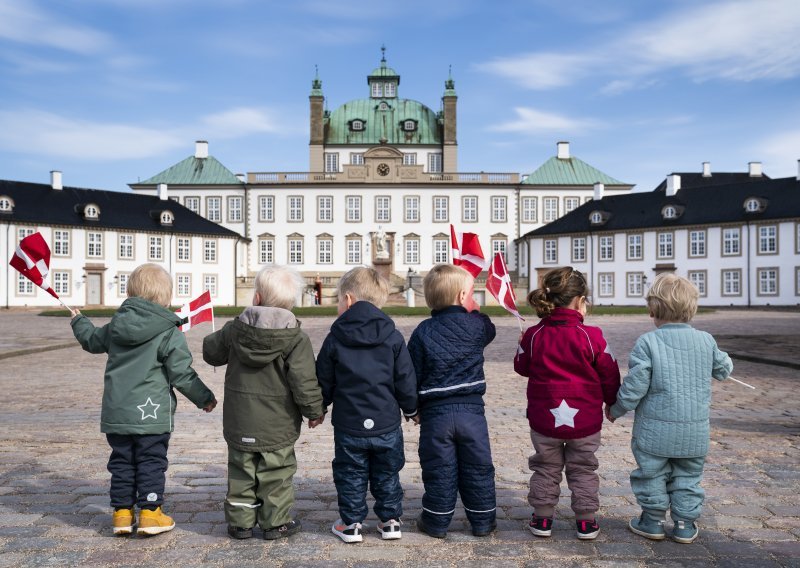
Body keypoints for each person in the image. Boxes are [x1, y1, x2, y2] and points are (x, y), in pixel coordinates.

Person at [70, 263, 217, 537]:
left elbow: (91, 341)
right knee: (151, 460)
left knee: (122, 461)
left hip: (118, 413)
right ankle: (150, 513)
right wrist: (204, 398)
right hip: (152, 415)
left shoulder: (116, 325)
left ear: (131, 292)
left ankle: (122, 514)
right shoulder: (169, 331)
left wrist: (80, 321)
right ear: (166, 297)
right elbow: (182, 373)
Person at [606, 273, 732, 544]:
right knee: (688, 477)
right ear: (692, 308)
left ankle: (652, 521)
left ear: (652, 309)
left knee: (651, 473)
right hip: (694, 432)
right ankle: (685, 524)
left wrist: (617, 409)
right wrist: (718, 364)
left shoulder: (648, 342)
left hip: (654, 431)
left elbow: (635, 385)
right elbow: (724, 370)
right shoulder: (706, 340)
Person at [203, 264, 325, 540]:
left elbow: (211, 353)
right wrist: (314, 411)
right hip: (277, 422)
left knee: (241, 470)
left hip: (240, 419)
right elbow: (304, 380)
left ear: (256, 298)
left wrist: (220, 337)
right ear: (290, 304)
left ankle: (241, 523)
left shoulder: (235, 329)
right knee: (277, 472)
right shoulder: (296, 338)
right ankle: (275, 522)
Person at [514, 266, 620, 540]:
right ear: (580, 301)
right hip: (584, 421)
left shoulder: (534, 334)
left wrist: (520, 345)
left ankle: (543, 518)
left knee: (545, 467)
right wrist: (612, 402)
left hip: (544, 420)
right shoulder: (592, 335)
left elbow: (522, 367)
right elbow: (609, 372)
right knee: (583, 467)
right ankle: (585, 521)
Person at [316, 267, 418, 543]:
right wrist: (411, 409)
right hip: (386, 422)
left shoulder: (336, 337)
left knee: (350, 473)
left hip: (349, 425)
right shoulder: (393, 335)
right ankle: (390, 521)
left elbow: (324, 378)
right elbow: (404, 378)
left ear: (348, 300)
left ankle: (351, 524)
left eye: (338, 300)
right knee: (387, 472)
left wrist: (319, 408)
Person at [407, 264, 497, 539]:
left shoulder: (423, 331)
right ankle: (482, 521)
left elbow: (413, 372)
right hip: (471, 412)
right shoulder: (477, 325)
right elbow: (489, 329)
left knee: (438, 468)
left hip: (436, 415)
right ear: (462, 297)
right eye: (471, 295)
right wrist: (473, 311)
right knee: (478, 467)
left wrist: (413, 408)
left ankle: (436, 522)